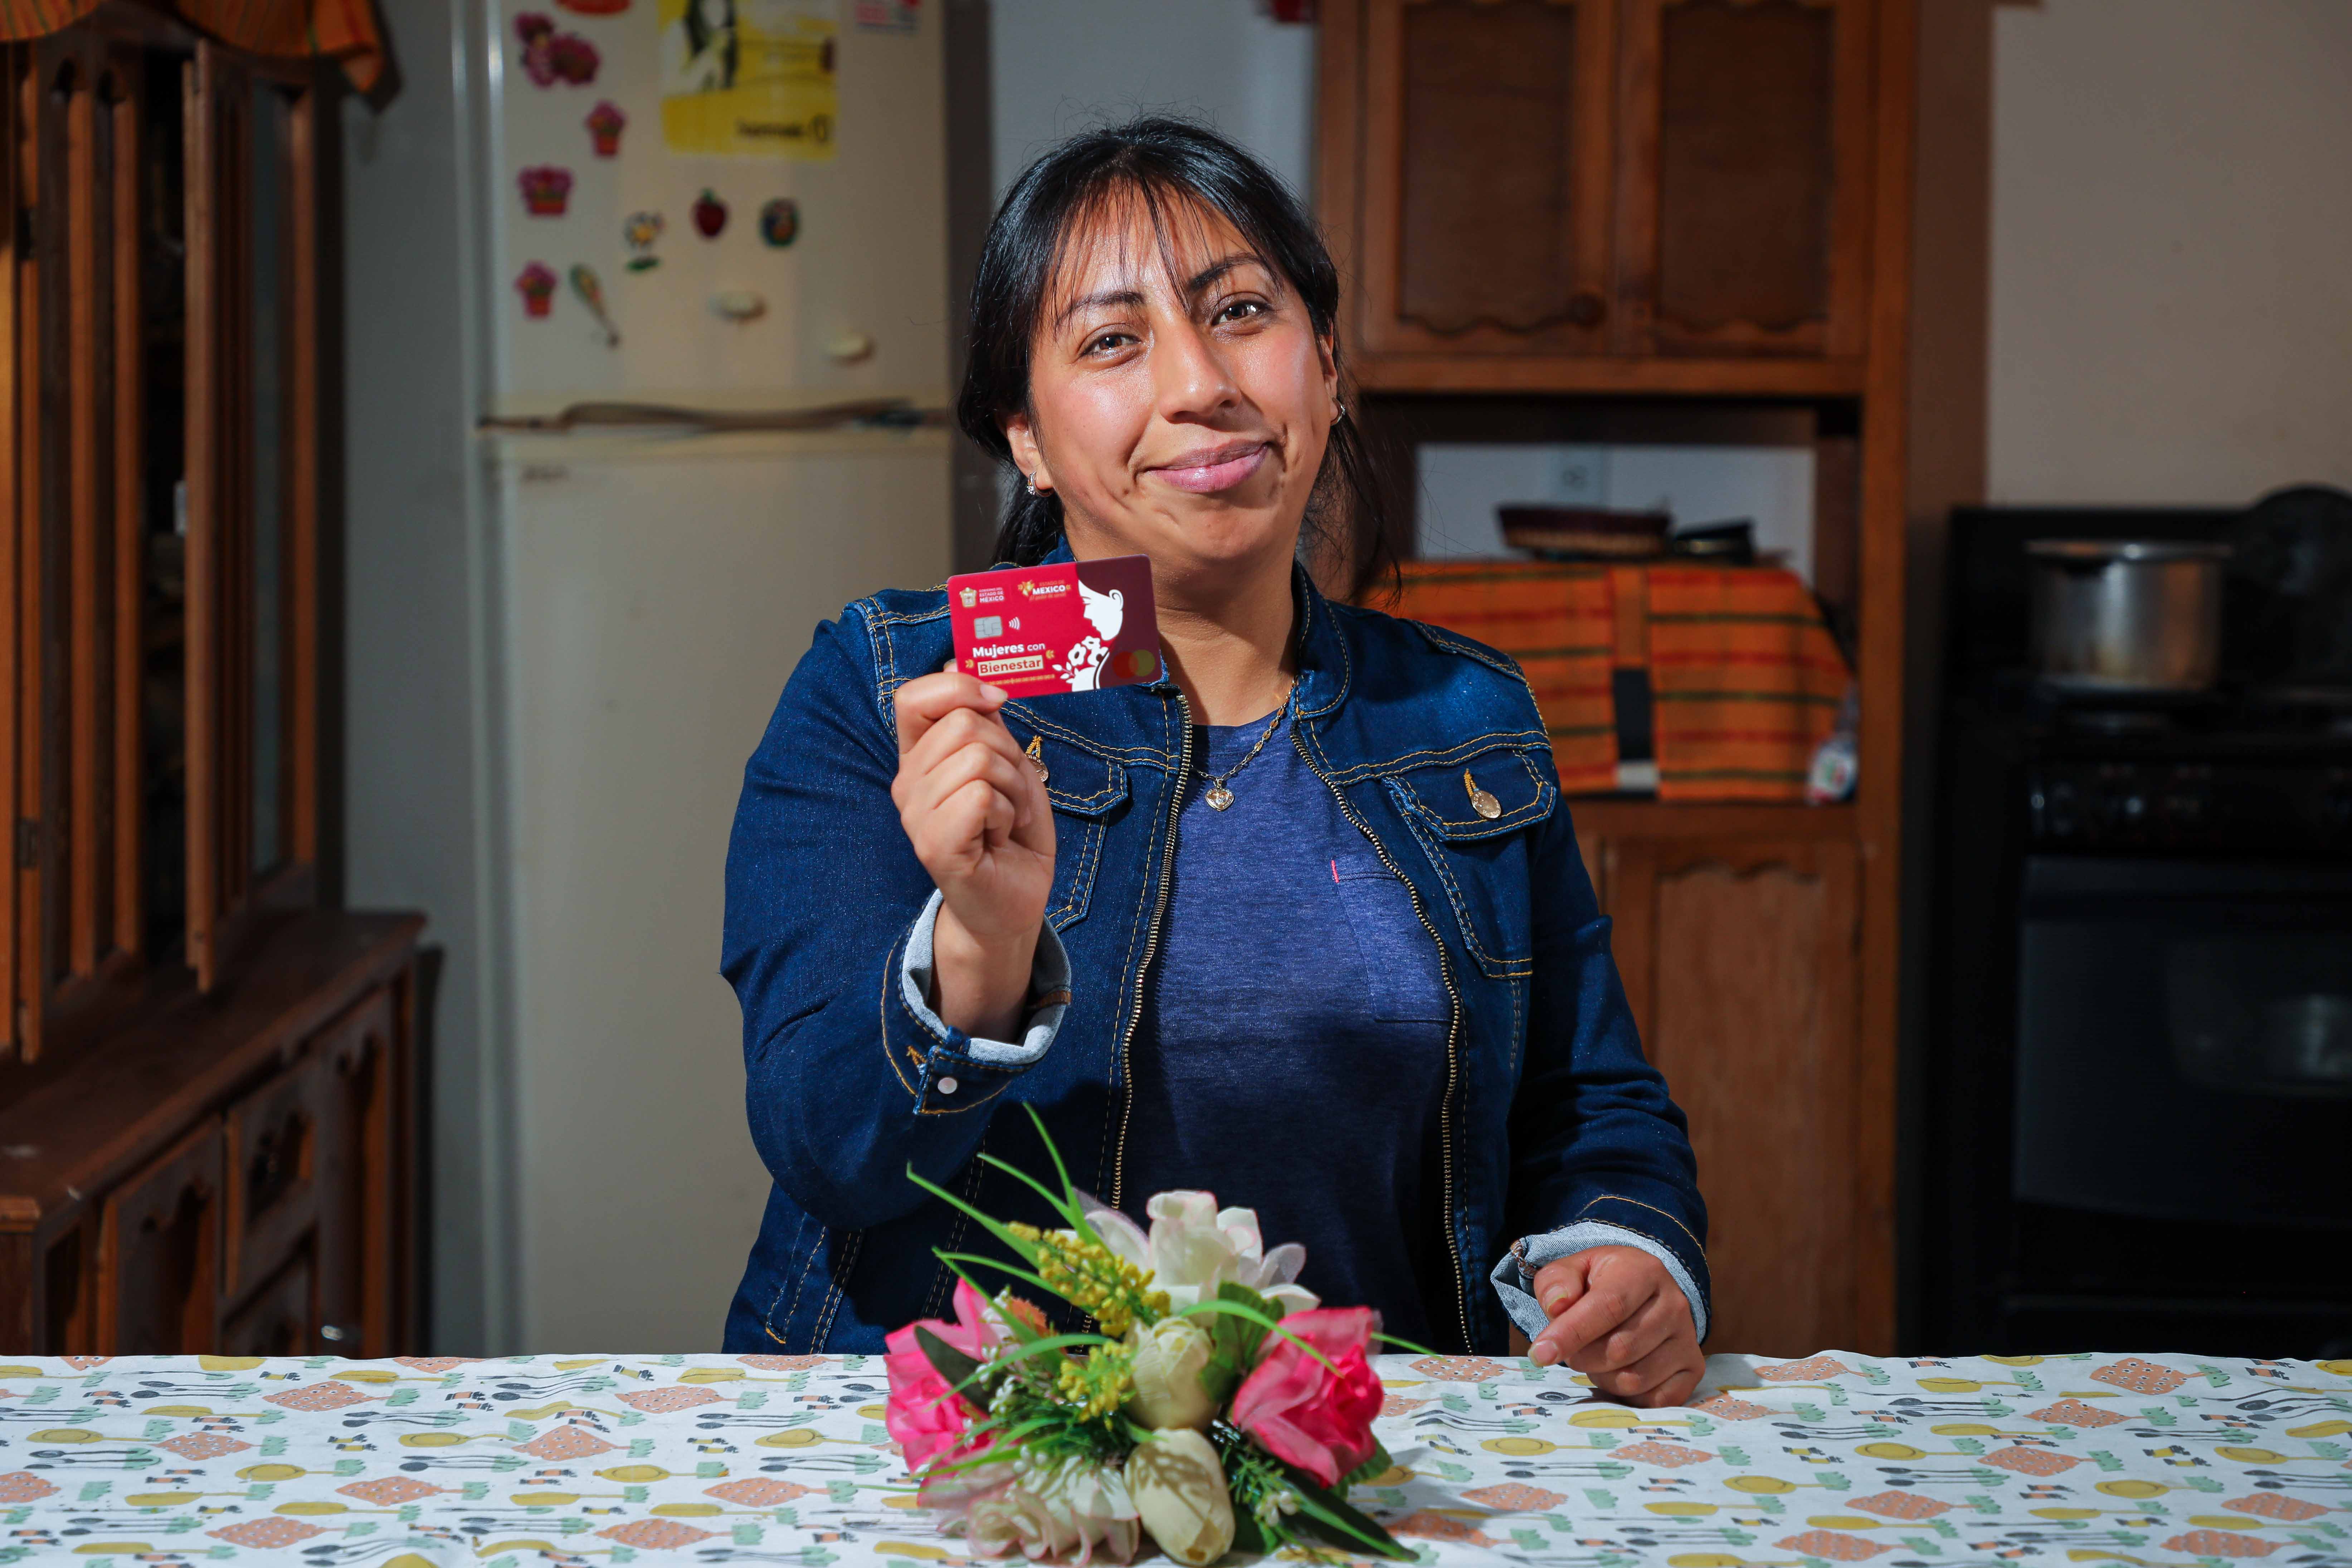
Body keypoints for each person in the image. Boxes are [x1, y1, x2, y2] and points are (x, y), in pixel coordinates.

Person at [722, 118, 1710, 1406]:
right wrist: (975, 954)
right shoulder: (892, 689)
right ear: (1025, 436)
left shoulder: (1463, 712)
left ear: (1331, 370)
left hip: (1357, 1453)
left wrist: (1628, 1256)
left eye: (1242, 311)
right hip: (970, 1453)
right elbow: (825, 1149)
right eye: (1114, 341)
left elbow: (1591, 1106)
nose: (1201, 383)